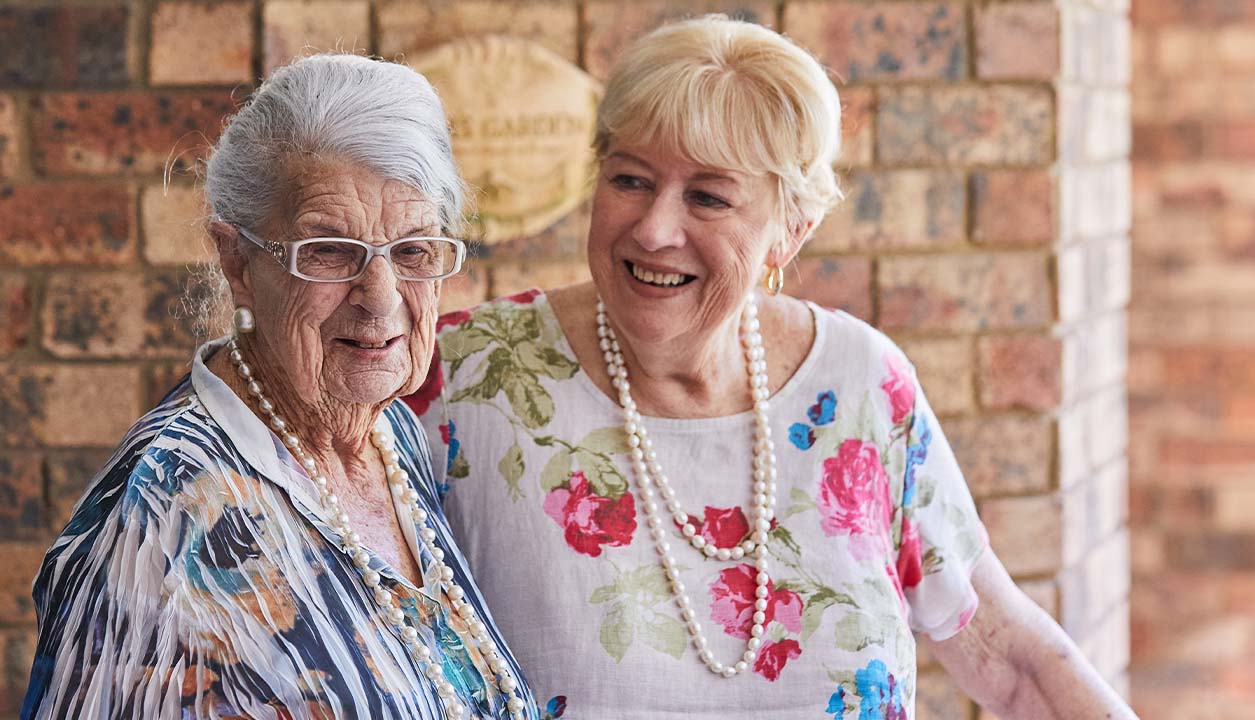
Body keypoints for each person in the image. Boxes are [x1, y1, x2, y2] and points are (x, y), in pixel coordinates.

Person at [410, 16, 1137, 719]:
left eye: (708, 197)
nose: (655, 229)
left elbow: (1012, 661)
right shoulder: (465, 376)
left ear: (790, 229)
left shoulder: (861, 387)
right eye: (630, 180)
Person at [22, 55, 538, 720]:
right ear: (238, 262)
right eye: (329, 251)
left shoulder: (389, 435)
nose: (381, 299)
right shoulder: (159, 516)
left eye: (412, 251)